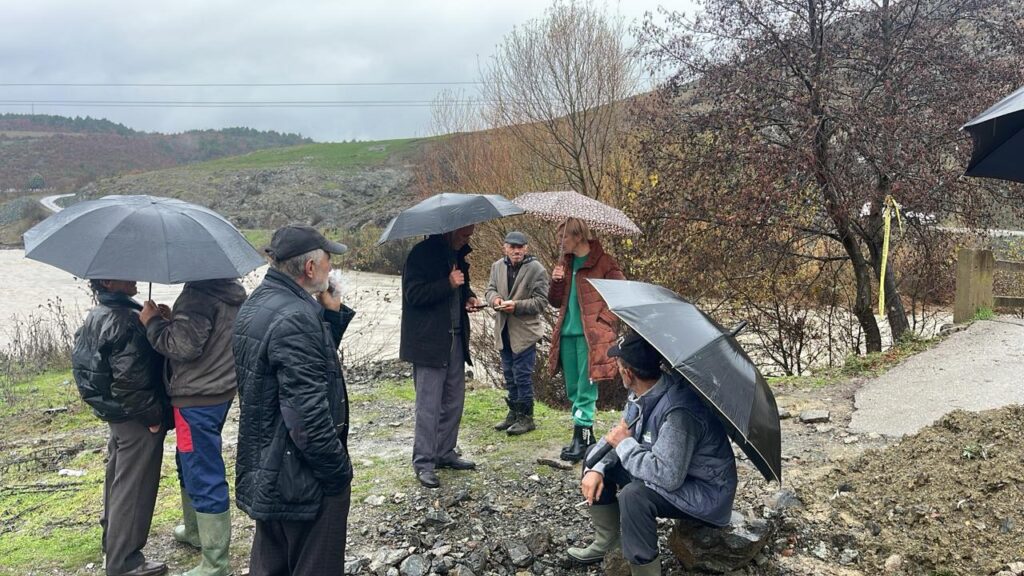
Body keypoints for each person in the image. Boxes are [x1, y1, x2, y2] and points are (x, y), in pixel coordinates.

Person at [232, 225, 355, 576]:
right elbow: (308, 418)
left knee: (272, 564)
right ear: (310, 269)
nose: (332, 268)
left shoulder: (260, 302)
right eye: (328, 260)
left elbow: (304, 367)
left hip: (270, 465)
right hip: (301, 476)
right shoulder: (296, 317)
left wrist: (330, 314)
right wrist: (337, 474)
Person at [568, 332, 738, 576]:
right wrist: (596, 468)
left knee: (634, 496)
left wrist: (624, 445)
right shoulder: (641, 394)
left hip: (706, 493)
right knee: (596, 454)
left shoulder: (679, 412)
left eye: (619, 366)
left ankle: (645, 571)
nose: (617, 371)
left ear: (628, 373)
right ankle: (608, 540)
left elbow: (667, 475)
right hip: (677, 473)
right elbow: (619, 438)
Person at [140, 277, 246, 576]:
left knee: (201, 467)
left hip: (196, 397)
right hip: (219, 390)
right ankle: (195, 530)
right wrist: (170, 320)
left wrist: (152, 324)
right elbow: (206, 337)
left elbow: (183, 346)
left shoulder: (198, 294)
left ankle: (215, 562)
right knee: (188, 460)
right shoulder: (230, 292)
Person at [71, 279, 169, 576]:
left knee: (119, 478)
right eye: (126, 273)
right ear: (109, 280)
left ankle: (112, 542)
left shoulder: (99, 312)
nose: (135, 277)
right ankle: (124, 561)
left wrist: (156, 321)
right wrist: (153, 417)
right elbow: (131, 380)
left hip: (115, 412)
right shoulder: (126, 321)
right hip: (135, 416)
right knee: (134, 486)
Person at [400, 225, 481, 489]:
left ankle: (445, 452)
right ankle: (423, 463)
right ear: (450, 230)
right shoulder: (420, 255)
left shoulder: (457, 255)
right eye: (464, 234)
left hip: (455, 338)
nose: (467, 239)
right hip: (428, 342)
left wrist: (468, 297)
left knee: (454, 400)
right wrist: (447, 284)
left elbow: (460, 287)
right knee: (429, 405)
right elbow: (414, 295)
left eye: (469, 235)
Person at [548, 217, 625, 462]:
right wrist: (556, 282)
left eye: (564, 237)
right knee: (573, 387)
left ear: (578, 236)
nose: (560, 243)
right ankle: (583, 436)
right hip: (567, 334)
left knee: (585, 388)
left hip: (590, 337)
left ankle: (582, 436)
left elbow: (621, 297)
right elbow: (555, 301)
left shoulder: (603, 262)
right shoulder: (566, 263)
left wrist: (603, 321)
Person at [483, 230, 550, 435]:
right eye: (512, 247)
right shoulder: (497, 266)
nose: (516, 250)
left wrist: (517, 306)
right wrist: (494, 300)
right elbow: (489, 290)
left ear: (526, 248)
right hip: (503, 329)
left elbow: (541, 302)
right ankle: (513, 414)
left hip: (525, 332)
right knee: (509, 375)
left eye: (520, 247)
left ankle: (526, 418)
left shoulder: (537, 269)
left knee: (522, 376)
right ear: (505, 247)